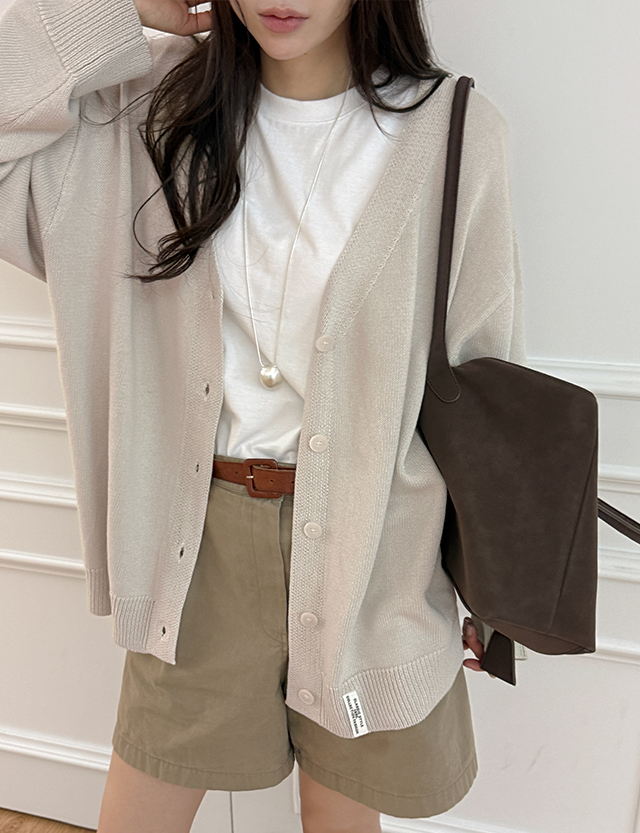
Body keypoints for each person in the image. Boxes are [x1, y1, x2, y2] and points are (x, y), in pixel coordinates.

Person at [0, 0, 526, 830]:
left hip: (377, 554)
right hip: (196, 553)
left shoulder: (457, 132)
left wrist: (493, 597)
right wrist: (124, 8)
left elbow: (485, 379)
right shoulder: (142, 114)